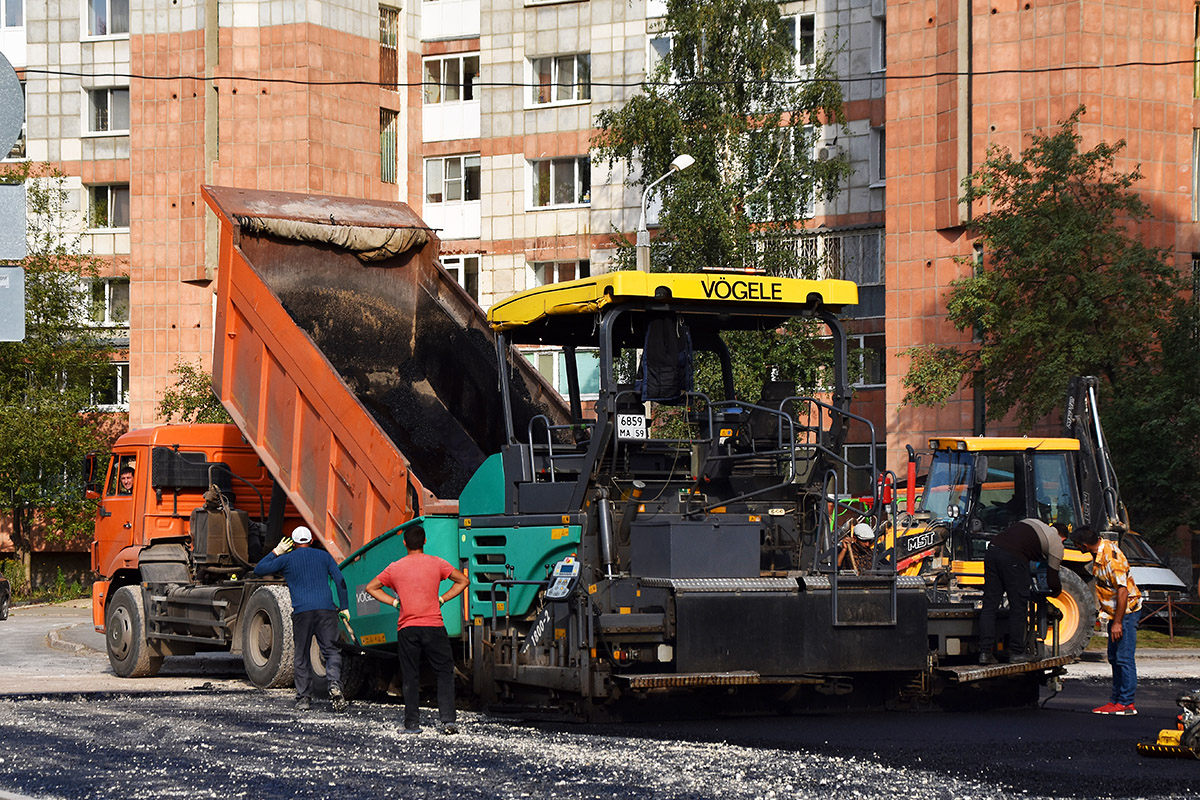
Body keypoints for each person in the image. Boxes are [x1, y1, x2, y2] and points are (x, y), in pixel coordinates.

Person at [365, 523, 469, 735]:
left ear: (404, 543)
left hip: (407, 628)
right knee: (444, 672)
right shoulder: (436, 563)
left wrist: (395, 603)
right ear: (425, 542)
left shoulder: (395, 567)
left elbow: (371, 587)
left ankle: (412, 724)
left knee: (410, 675)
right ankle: (448, 720)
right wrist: (443, 598)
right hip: (434, 626)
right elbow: (463, 581)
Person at [253, 525, 351, 713]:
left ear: (293, 543)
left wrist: (276, 552)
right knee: (331, 651)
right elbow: (340, 580)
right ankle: (334, 685)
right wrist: (345, 607)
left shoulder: (287, 559)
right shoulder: (324, 557)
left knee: (301, 655)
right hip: (326, 610)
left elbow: (259, 569)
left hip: (302, 613)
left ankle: (304, 698)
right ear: (311, 541)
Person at [1073, 525, 1142, 715]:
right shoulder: (1099, 555)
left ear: (1084, 544)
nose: (1077, 548)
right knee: (1114, 657)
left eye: (1077, 545)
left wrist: (1118, 622)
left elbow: (1123, 592)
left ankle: (1127, 703)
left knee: (1124, 658)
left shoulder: (1113, 559)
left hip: (1126, 612)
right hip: (1115, 613)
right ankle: (1116, 700)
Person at [978, 518, 1065, 665]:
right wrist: (1056, 591)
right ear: (1063, 538)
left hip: (992, 551)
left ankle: (985, 653)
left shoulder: (1033, 522)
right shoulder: (1057, 543)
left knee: (989, 606)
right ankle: (1017, 652)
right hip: (1013, 558)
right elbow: (1052, 578)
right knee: (1018, 607)